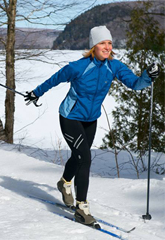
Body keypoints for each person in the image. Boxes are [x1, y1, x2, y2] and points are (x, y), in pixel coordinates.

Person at [24, 26, 159, 226]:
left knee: (79, 156)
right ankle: (82, 208)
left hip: (90, 119)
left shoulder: (114, 67)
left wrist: (148, 76)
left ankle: (64, 183)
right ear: (93, 46)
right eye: (102, 43)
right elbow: (55, 79)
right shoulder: (77, 67)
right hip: (70, 117)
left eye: (109, 43)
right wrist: (36, 92)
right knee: (84, 158)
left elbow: (135, 84)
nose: (107, 47)